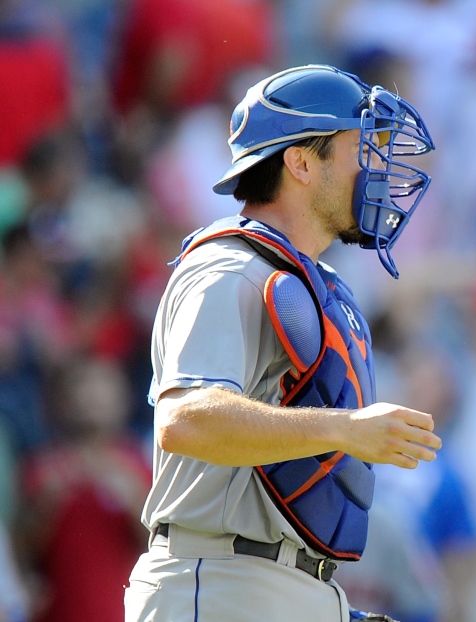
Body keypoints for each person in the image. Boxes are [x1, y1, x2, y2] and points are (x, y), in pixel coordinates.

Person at [123, 64, 443, 622]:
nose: (375, 166)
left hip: (281, 585)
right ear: (300, 162)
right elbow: (186, 420)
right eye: (360, 148)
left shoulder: (316, 285)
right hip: (218, 579)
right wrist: (344, 429)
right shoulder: (230, 268)